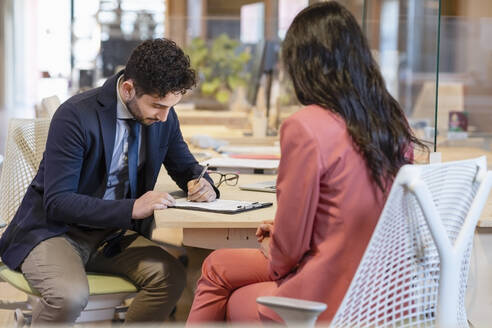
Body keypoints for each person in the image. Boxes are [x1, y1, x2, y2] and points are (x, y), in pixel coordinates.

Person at [186, 1, 424, 324]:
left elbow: (290, 250)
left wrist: (278, 243)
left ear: (303, 64)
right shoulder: (393, 122)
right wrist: (285, 236)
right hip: (383, 295)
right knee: (219, 265)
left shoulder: (306, 126)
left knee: (234, 295)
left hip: (328, 296)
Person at [0, 38, 219, 324]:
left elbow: (186, 167)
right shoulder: (76, 115)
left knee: (170, 277)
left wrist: (203, 183)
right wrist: (131, 209)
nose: (165, 117)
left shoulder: (163, 117)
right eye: (157, 106)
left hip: (109, 234)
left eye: (170, 107)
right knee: (69, 295)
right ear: (128, 89)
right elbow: (57, 202)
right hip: (56, 231)